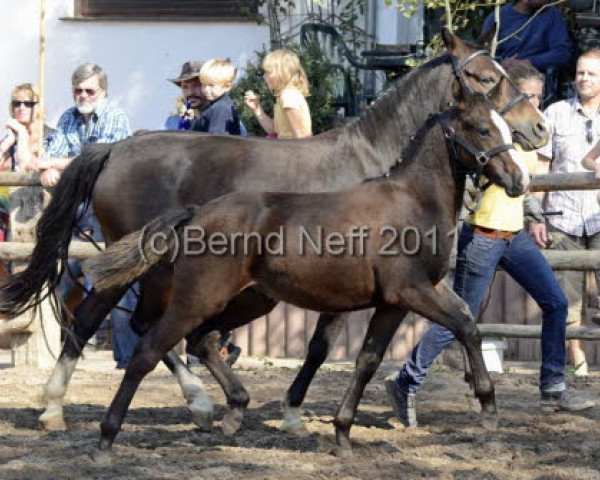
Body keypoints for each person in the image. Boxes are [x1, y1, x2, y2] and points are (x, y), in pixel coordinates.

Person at [385, 60, 595, 428]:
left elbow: (525, 184)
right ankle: (406, 381)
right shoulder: (487, 132)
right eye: (526, 96)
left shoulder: (519, 136)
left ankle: (553, 388)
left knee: (556, 302)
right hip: (482, 236)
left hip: (512, 236)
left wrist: (534, 218)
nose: (532, 104)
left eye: (537, 98)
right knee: (458, 316)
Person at [39, 63, 139, 369]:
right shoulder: (68, 117)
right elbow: (50, 157)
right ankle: (61, 353)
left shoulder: (115, 115)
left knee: (117, 282)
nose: (82, 95)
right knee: (59, 281)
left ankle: (127, 360)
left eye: (89, 90)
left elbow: (99, 161)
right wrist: (50, 167)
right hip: (77, 209)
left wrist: (56, 164)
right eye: (78, 90)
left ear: (103, 91)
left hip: (110, 209)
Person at [530, 49, 600, 378]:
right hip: (561, 217)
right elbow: (542, 167)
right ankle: (580, 366)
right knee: (567, 300)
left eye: (591, 74)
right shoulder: (556, 112)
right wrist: (537, 217)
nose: (583, 78)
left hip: (599, 218)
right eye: (580, 72)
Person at [481, 0, 572, 75]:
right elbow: (483, 56)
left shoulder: (551, 14)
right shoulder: (497, 17)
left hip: (536, 79)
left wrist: (528, 63)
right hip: (503, 76)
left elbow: (562, 53)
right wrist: (502, 63)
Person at [244, 49, 312, 139]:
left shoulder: (288, 95)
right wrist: (257, 108)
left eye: (268, 72)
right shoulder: (284, 96)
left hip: (292, 151)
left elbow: (300, 138)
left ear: (282, 73)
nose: (264, 76)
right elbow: (273, 130)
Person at [191, 59, 241, 135]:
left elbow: (216, 140)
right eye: (203, 85)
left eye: (211, 85)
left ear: (227, 87)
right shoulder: (214, 106)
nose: (206, 90)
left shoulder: (221, 107)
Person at [164, 60, 207, 131]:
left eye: (197, 85)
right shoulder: (173, 122)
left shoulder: (218, 116)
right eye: (185, 87)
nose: (191, 92)